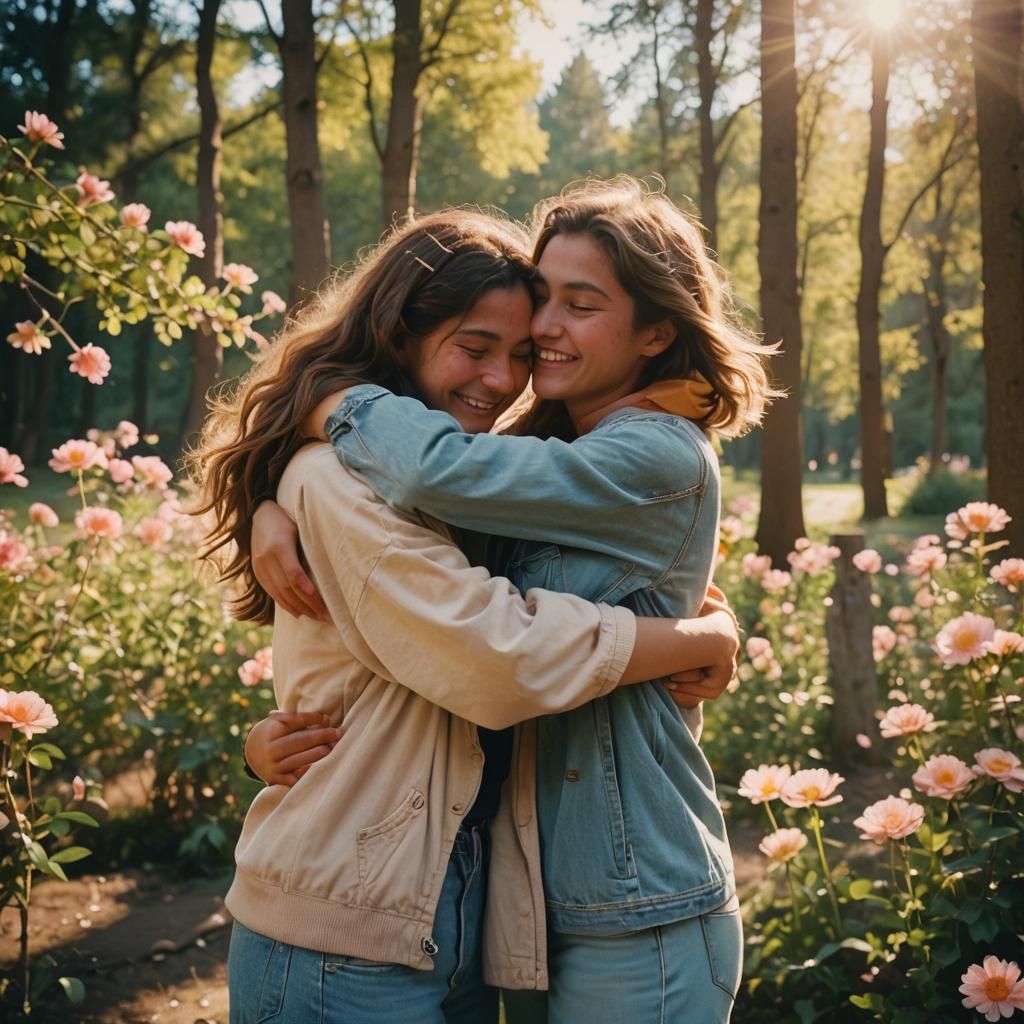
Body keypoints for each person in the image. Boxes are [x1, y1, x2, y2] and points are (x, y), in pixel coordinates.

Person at [190, 208, 741, 1024]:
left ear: (656, 332)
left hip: (588, 900)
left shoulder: (591, 458)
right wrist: (284, 480)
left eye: (573, 310)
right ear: (401, 335)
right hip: (384, 921)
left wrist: (319, 414)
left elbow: (461, 556)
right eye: (480, 345)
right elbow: (486, 653)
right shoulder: (356, 474)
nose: (527, 354)